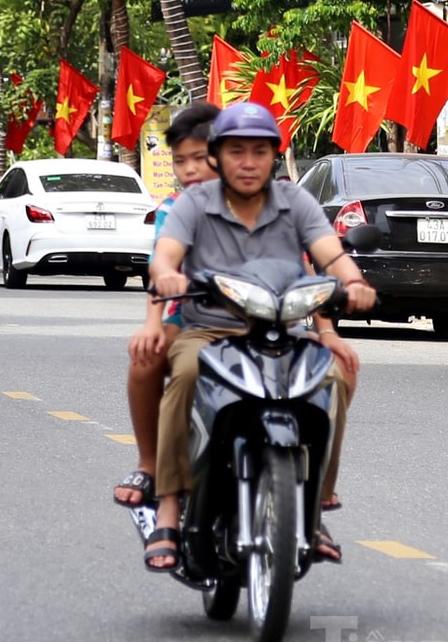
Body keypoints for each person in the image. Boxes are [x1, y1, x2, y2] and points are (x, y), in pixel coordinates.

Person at [139, 102, 377, 573]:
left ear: (274, 156)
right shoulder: (193, 204)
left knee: (335, 376)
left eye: (259, 152)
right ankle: (169, 502)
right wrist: (167, 275)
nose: (248, 162)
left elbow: (329, 254)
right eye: (236, 152)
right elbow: (164, 256)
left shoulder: (296, 202)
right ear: (218, 157)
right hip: (208, 328)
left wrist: (354, 283)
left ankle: (316, 502)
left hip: (282, 329)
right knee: (184, 374)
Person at [113, 102, 219, 510]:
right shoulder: (173, 209)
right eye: (180, 161)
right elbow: (161, 266)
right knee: (144, 360)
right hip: (187, 315)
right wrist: (153, 322)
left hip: (257, 317)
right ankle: (150, 463)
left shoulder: (260, 202)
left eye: (200, 158)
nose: (189, 169)